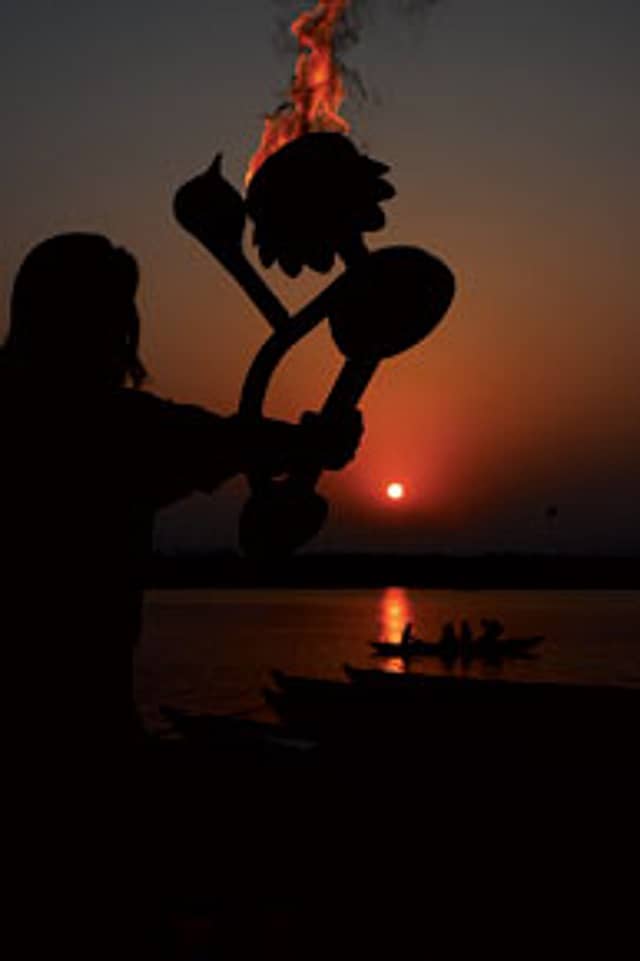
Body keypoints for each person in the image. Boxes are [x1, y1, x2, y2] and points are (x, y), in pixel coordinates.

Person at [0, 232, 363, 956]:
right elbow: (224, 441)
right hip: (76, 752)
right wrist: (306, 444)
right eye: (118, 311)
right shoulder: (105, 426)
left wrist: (298, 444)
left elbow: (220, 438)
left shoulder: (88, 419)